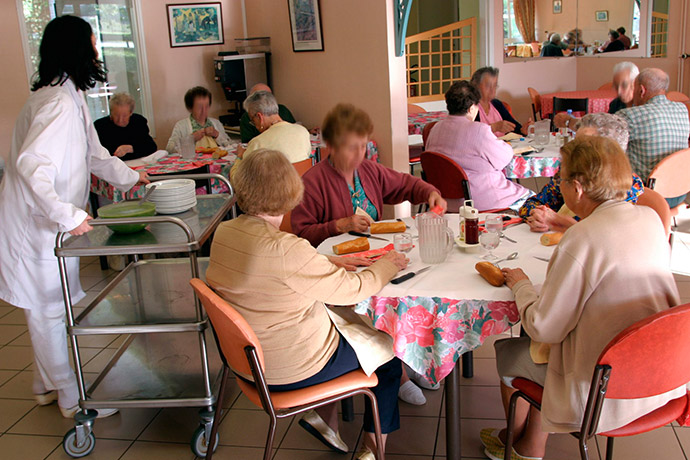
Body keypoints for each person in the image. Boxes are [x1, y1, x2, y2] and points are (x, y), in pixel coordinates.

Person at [481, 136, 685, 460]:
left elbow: (543, 327)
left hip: (604, 390)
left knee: (508, 351)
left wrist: (520, 285)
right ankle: (519, 438)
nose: (558, 186)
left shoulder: (582, 237)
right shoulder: (649, 219)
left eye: (560, 179)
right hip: (662, 376)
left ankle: (523, 444)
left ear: (577, 187)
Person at [207, 149, 409, 460]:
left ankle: (324, 420)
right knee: (389, 356)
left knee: (347, 328)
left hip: (247, 364)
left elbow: (272, 265)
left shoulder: (225, 232)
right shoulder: (287, 249)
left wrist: (325, 260)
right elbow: (355, 290)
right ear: (290, 191)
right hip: (291, 368)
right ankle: (372, 451)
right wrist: (390, 264)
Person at [0, 16, 148, 419]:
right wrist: (68, 215)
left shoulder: (66, 95)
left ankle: (43, 384)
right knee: (48, 309)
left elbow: (94, 155)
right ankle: (72, 399)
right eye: (93, 42)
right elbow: (32, 165)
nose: (97, 50)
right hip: (37, 227)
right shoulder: (57, 103)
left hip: (45, 224)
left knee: (47, 307)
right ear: (78, 49)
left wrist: (135, 176)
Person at [292, 103, 446, 248]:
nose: (359, 154)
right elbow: (302, 235)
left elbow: (405, 184)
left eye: (363, 146)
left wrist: (430, 193)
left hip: (371, 252)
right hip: (334, 263)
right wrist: (338, 226)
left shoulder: (368, 170)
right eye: (352, 148)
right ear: (332, 147)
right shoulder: (312, 182)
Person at [520, 113, 644, 232]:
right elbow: (532, 203)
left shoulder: (628, 187)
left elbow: (604, 235)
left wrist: (558, 221)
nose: (575, 151)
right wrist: (538, 214)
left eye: (584, 146)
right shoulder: (573, 173)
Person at [425, 81, 533, 212]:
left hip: (444, 200)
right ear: (471, 108)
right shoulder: (479, 130)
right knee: (533, 198)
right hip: (480, 200)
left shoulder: (435, 128)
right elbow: (504, 159)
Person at [618, 68, 690, 208]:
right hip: (680, 190)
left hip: (647, 195)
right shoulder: (682, 109)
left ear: (641, 90)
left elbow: (605, 138)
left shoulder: (631, 115)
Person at [233, 90, 310, 171]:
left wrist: (239, 156)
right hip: (300, 181)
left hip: (276, 183)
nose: (254, 124)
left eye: (252, 120)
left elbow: (239, 179)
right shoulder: (303, 131)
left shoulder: (258, 143)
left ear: (259, 117)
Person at [553, 61, 639, 128]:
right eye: (616, 86)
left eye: (624, 85)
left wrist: (570, 122)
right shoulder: (616, 103)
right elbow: (606, 128)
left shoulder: (642, 108)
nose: (619, 91)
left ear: (635, 84)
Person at [94, 92, 158, 161]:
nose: (120, 120)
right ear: (111, 113)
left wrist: (131, 148)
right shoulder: (100, 125)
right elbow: (96, 153)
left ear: (131, 113)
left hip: (138, 163)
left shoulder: (138, 121)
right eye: (116, 115)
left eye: (124, 116)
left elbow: (151, 147)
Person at [166, 86, 231, 153]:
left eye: (207, 106)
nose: (204, 111)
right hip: (192, 162)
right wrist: (191, 139)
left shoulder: (216, 123)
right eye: (199, 107)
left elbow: (230, 146)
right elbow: (170, 149)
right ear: (190, 108)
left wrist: (217, 135)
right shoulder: (181, 126)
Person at [471, 67, 531, 137]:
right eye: (488, 86)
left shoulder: (497, 104)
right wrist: (494, 127)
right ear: (476, 86)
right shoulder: (471, 108)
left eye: (495, 85)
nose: (492, 90)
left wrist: (523, 130)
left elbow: (514, 127)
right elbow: (472, 134)